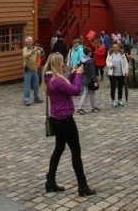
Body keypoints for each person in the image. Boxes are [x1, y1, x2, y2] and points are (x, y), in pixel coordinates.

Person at [43, 52, 96, 196]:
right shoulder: (57, 80)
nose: (64, 65)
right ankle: (82, 186)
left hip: (56, 119)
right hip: (65, 119)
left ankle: (50, 181)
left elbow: (66, 86)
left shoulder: (50, 78)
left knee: (59, 148)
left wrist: (72, 74)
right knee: (75, 151)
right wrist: (78, 75)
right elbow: (75, 90)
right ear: (56, 64)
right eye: (61, 62)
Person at [76, 44, 99, 114]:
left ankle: (93, 106)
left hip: (84, 78)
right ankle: (80, 108)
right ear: (89, 53)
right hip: (90, 79)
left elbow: (78, 65)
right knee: (87, 93)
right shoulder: (90, 61)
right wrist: (95, 81)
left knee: (89, 93)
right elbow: (92, 72)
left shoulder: (83, 59)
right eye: (91, 52)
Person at [105, 42, 129, 108]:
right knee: (113, 88)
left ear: (119, 48)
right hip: (112, 74)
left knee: (120, 88)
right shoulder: (110, 54)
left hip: (121, 74)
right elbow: (107, 62)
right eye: (114, 47)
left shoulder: (122, 54)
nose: (115, 48)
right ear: (112, 48)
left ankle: (120, 100)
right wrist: (111, 65)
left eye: (117, 47)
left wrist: (126, 72)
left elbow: (125, 63)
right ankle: (113, 101)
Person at [22, 36, 44, 105]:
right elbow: (25, 55)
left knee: (36, 84)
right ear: (26, 43)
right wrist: (33, 51)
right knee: (27, 85)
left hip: (35, 69)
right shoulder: (25, 49)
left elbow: (40, 55)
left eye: (31, 41)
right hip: (28, 69)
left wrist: (41, 50)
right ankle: (26, 100)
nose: (31, 43)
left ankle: (36, 98)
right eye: (29, 42)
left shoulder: (35, 48)